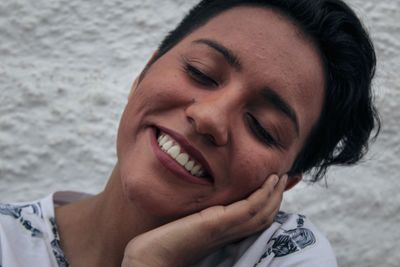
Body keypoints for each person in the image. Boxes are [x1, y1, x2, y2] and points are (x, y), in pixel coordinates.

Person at [0, 0, 380, 266]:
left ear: (285, 182)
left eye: (262, 127)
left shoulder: (282, 256)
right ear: (144, 73)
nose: (210, 118)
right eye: (201, 72)